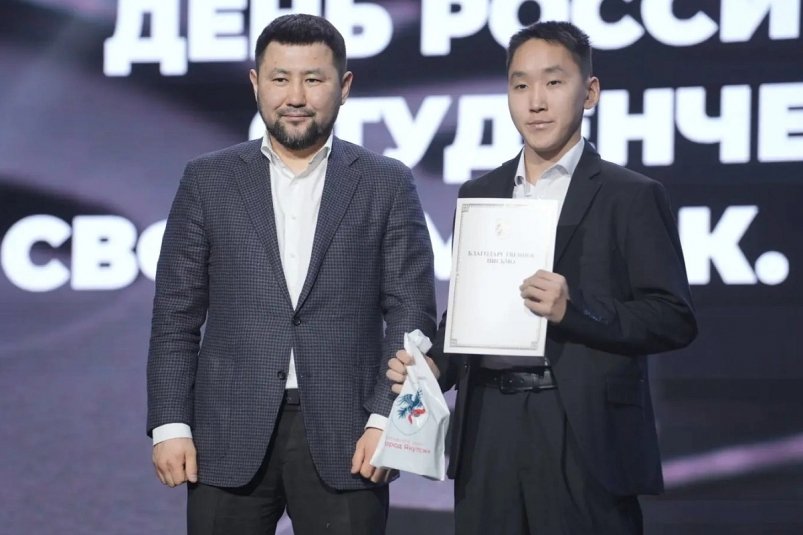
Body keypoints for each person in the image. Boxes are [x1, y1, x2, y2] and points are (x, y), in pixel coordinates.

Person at [387, 20, 697, 534]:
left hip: (584, 431)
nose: (536, 101)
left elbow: (673, 317)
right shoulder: (480, 193)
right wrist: (432, 367)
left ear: (589, 92)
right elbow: (472, 314)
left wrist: (574, 310)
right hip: (489, 428)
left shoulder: (631, 195)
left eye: (554, 82)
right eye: (520, 84)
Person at [147, 13, 436, 535]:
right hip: (225, 434)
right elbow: (175, 316)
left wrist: (386, 420)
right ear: (256, 83)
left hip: (351, 435)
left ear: (344, 87)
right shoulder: (208, 180)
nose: (296, 96)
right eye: (280, 78)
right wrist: (170, 423)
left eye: (314, 79)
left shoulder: (386, 182)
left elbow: (410, 313)